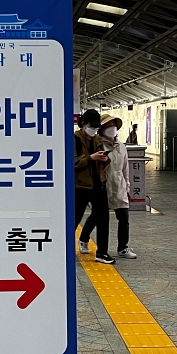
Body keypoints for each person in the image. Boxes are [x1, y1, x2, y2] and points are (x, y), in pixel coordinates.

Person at [80, 114, 136, 259]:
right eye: (108, 126)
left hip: (119, 186)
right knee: (96, 217)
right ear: (102, 129)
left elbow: (125, 169)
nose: (112, 129)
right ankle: (84, 238)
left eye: (114, 126)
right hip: (104, 186)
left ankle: (123, 247)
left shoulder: (121, 146)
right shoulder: (98, 144)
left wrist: (127, 186)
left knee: (124, 217)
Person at [73, 109, 114, 264]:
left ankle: (102, 252)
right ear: (83, 124)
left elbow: (103, 158)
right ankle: (63, 248)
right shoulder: (74, 139)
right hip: (81, 185)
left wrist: (105, 159)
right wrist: (91, 158)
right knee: (74, 218)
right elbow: (73, 162)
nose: (94, 130)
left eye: (96, 128)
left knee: (103, 218)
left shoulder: (97, 139)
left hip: (98, 183)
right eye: (92, 126)